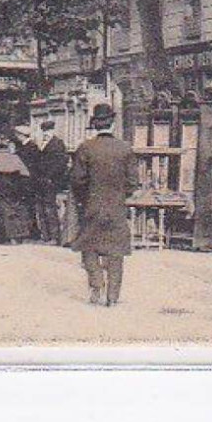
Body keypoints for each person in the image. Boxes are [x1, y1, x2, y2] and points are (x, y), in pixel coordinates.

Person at [71, 104, 138, 305]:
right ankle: (113, 296)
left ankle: (97, 282)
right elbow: (133, 182)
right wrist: (119, 195)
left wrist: (87, 198)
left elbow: (77, 180)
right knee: (116, 251)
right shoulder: (125, 149)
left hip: (92, 205)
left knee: (89, 247)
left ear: (95, 124)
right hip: (116, 207)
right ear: (113, 123)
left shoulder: (86, 148)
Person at [34, 118, 70, 245]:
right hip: (41, 180)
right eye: (44, 131)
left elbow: (60, 163)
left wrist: (51, 177)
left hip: (50, 181)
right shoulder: (42, 143)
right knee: (41, 208)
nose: (45, 133)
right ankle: (46, 235)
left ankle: (54, 237)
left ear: (53, 130)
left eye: (48, 130)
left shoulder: (58, 144)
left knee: (50, 208)